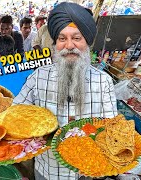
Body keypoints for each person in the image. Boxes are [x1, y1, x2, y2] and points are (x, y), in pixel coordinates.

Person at [13, 2, 118, 179]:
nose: (69, 45)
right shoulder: (38, 76)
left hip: (87, 171)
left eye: (77, 38)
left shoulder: (103, 82)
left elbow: (112, 131)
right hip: (47, 171)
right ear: (55, 44)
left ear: (87, 42)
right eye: (62, 39)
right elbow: (15, 114)